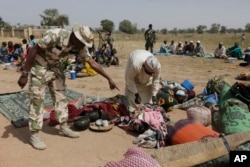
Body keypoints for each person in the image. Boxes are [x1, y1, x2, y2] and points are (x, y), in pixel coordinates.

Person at [17, 24, 119, 150]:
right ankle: (35, 135)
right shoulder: (54, 35)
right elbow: (33, 50)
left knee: (61, 98)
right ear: (75, 37)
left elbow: (92, 63)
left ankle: (63, 127)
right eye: (81, 42)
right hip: (41, 66)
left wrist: (109, 78)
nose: (83, 46)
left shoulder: (79, 46)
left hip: (57, 68)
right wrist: (25, 73)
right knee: (37, 100)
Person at [125, 50, 161, 115]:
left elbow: (156, 80)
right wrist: (136, 94)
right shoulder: (136, 65)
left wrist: (154, 95)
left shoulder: (157, 67)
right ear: (144, 66)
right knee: (132, 100)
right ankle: (132, 109)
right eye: (148, 72)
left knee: (148, 101)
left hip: (145, 56)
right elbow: (129, 79)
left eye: (151, 73)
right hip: (135, 55)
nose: (149, 74)